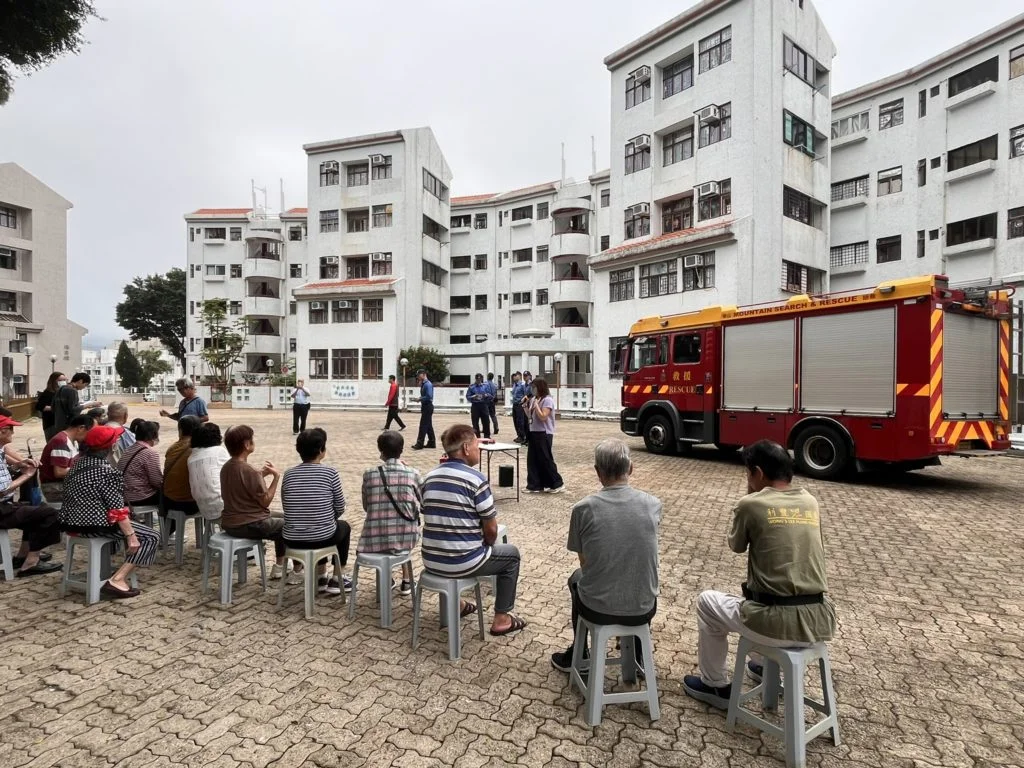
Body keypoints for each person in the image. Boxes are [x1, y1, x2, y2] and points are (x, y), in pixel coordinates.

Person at [683, 439, 837, 710]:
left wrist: (751, 492)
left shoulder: (751, 504)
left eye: (748, 473)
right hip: (818, 621)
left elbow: (736, 545)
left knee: (708, 602)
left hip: (773, 622)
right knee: (758, 602)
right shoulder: (810, 502)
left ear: (757, 473)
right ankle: (765, 666)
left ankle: (714, 684)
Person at [550, 439, 661, 671]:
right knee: (634, 575)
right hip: (643, 607)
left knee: (576, 578)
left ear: (598, 472)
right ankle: (637, 653)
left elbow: (586, 563)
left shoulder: (583, 508)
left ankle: (580, 654)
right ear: (630, 469)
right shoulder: (653, 504)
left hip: (598, 608)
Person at [421, 424, 526, 636]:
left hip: (431, 559)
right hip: (462, 560)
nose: (479, 449)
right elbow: (491, 529)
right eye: (477, 444)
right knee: (512, 556)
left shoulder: (428, 477)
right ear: (467, 448)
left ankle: (459, 605)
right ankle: (502, 619)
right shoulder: (475, 479)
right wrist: (486, 543)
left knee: (452, 542)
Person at [58, 425, 161, 598]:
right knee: (151, 537)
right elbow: (117, 510)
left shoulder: (77, 464)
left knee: (127, 526)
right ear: (112, 446)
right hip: (94, 525)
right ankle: (117, 579)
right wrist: (131, 536)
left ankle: (109, 571)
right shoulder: (107, 472)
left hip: (71, 522)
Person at [281, 428, 350, 595]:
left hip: (292, 540)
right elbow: (340, 506)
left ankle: (321, 577)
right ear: (321, 451)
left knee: (322, 526)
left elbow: (287, 506)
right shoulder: (330, 473)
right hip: (322, 537)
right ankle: (336, 578)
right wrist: (326, 517)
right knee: (343, 527)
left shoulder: (288, 474)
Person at [219, 425, 290, 578]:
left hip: (231, 522)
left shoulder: (227, 467)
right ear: (246, 444)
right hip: (249, 523)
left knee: (286, 517)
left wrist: (259, 475)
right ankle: (284, 565)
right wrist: (276, 478)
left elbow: (242, 485)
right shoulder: (248, 470)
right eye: (251, 439)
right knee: (290, 524)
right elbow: (265, 502)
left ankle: (281, 564)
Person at [359, 430, 421, 595]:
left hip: (374, 537)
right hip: (406, 536)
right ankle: (407, 580)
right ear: (401, 450)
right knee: (403, 527)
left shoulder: (369, 474)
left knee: (382, 523)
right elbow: (422, 503)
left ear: (381, 451)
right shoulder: (413, 473)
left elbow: (367, 507)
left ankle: (386, 579)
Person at [0, 415, 62, 577]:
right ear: (2, 431)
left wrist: (20, 463)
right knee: (49, 514)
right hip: (1, 508)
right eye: (10, 431)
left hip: (5, 505)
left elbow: (4, 457)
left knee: (35, 508)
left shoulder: (1, 450)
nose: (13, 434)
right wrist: (27, 475)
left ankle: (23, 554)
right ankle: (31, 562)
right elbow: (2, 490)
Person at [39, 414, 95, 503]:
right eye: (89, 432)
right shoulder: (61, 441)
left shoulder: (74, 441)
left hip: (64, 483)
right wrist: (86, 470)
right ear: (81, 428)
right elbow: (59, 472)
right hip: (54, 486)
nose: (88, 436)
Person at [524, 377, 565, 494]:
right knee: (532, 460)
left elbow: (543, 417)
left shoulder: (547, 400)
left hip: (544, 433)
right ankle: (535, 485)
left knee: (545, 459)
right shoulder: (533, 399)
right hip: (533, 432)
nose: (533, 390)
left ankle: (557, 483)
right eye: (532, 388)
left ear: (540, 387)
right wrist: (525, 406)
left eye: (534, 387)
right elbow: (530, 417)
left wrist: (536, 405)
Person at [187, 422, 230, 522]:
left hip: (205, 510)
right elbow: (234, 472)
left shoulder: (191, 457)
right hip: (223, 507)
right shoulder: (219, 451)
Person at [162, 415, 201, 521]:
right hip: (188, 503)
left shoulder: (172, 448)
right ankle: (208, 534)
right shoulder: (198, 449)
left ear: (180, 430)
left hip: (168, 500)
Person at [116, 420, 163, 507]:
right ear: (153, 435)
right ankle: (171, 520)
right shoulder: (150, 453)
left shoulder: (129, 449)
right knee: (171, 497)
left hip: (123, 496)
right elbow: (157, 481)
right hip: (138, 498)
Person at [48, 372, 101, 441]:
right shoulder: (72, 391)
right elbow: (73, 410)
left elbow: (53, 407)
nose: (84, 387)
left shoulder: (61, 389)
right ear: (80, 381)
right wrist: (90, 404)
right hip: (68, 425)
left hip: (58, 424)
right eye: (85, 385)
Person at [410, 370, 436, 450]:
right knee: (428, 425)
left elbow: (429, 396)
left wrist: (419, 399)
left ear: (424, 374)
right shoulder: (424, 384)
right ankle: (432, 442)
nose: (418, 376)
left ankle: (419, 443)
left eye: (419, 375)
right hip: (426, 406)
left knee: (423, 425)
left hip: (427, 406)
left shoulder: (427, 384)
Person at [35, 372, 63, 437]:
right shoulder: (48, 393)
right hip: (50, 424)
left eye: (64, 380)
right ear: (54, 381)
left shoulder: (61, 392)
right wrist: (55, 408)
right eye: (60, 380)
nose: (63, 382)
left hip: (61, 423)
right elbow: (39, 406)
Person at [466, 373, 492, 439]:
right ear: (476, 379)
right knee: (475, 422)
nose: (478, 380)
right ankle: (477, 437)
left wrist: (486, 395)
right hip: (475, 405)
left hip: (483, 405)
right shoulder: (471, 387)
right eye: (477, 379)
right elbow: (467, 396)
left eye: (480, 379)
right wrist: (473, 397)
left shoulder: (485, 386)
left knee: (486, 421)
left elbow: (490, 395)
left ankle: (487, 436)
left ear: (482, 379)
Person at [510, 372, 528, 444]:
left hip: (520, 405)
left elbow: (525, 395)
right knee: (515, 420)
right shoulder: (514, 385)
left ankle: (522, 436)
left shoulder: (522, 385)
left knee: (520, 421)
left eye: (516, 375)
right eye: (514, 376)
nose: (514, 377)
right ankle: (518, 435)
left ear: (520, 376)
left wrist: (523, 403)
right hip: (514, 404)